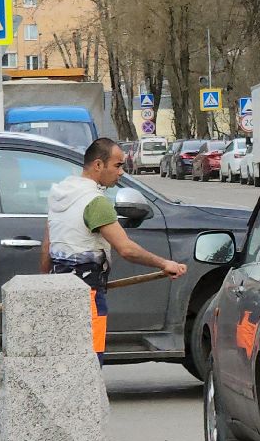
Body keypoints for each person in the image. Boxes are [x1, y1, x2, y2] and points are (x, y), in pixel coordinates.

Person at [42, 138, 186, 357]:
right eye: (117, 165)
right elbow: (126, 249)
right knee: (90, 360)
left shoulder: (59, 195)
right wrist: (164, 263)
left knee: (65, 361)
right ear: (98, 165)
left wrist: (44, 286)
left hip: (58, 294)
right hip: (87, 298)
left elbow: (47, 248)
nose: (121, 172)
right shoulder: (95, 202)